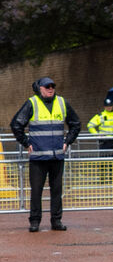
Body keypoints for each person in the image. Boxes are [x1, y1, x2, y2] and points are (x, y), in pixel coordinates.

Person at [10, 76, 81, 231]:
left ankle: (56, 221)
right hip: (38, 157)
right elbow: (16, 124)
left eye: (52, 86)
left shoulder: (62, 102)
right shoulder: (32, 103)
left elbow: (76, 124)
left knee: (57, 191)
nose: (50, 89)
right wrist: (26, 143)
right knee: (36, 191)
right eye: (47, 86)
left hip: (57, 156)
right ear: (40, 88)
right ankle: (35, 221)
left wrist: (67, 142)